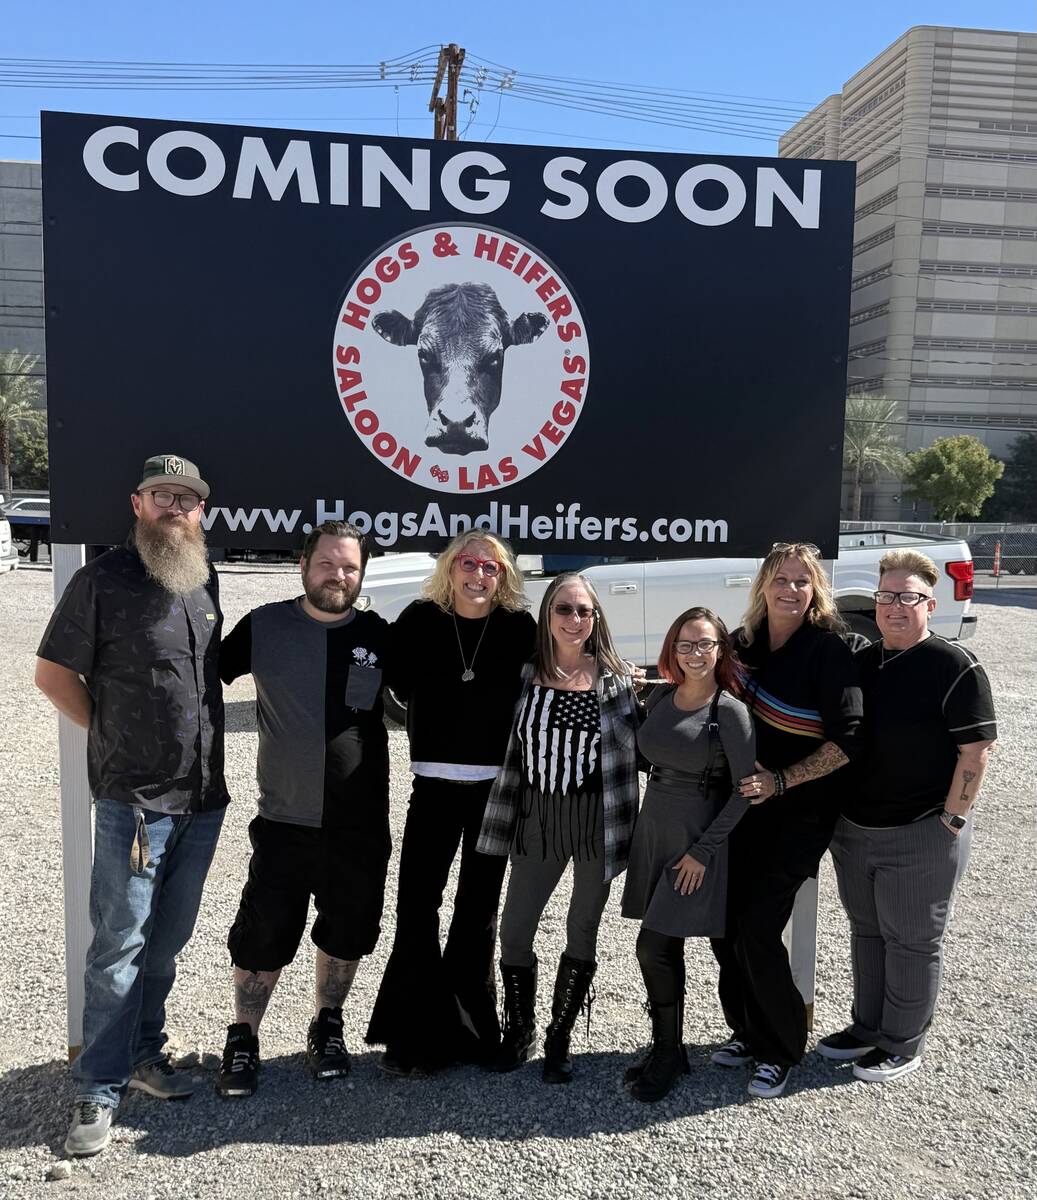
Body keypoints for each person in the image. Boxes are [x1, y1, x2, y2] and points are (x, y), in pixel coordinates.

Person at [35, 454, 227, 1157]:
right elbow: (53, 675)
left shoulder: (203, 580)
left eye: (187, 497)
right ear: (136, 504)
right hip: (138, 804)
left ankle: (145, 1054)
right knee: (119, 944)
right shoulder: (101, 580)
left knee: (166, 941)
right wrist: (110, 733)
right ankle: (97, 1086)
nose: (174, 506)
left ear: (200, 512)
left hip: (203, 800)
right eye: (161, 495)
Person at [215, 521, 391, 1097]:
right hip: (284, 820)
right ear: (303, 564)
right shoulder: (265, 625)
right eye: (328, 564)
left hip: (358, 823)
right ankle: (243, 1036)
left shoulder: (377, 634)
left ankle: (327, 1025)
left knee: (346, 933)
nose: (338, 576)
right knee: (263, 935)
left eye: (349, 567)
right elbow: (197, 676)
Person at [821, 548, 996, 1082]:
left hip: (921, 831)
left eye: (908, 597)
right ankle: (866, 1028)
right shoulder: (865, 662)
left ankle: (902, 1042)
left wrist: (952, 820)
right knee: (867, 932)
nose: (894, 606)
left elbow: (976, 751)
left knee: (913, 941)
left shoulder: (955, 667)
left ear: (930, 603)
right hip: (855, 830)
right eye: (885, 596)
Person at [366, 531, 535, 1076]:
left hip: (494, 791)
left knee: (476, 912)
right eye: (469, 563)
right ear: (450, 568)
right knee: (417, 906)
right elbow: (381, 680)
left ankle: (469, 1030)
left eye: (491, 567)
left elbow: (555, 680)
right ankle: (416, 1036)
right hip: (432, 788)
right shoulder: (420, 620)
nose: (479, 575)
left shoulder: (518, 629)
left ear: (504, 575)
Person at [710, 542, 862, 1099]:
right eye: (780, 579)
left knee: (756, 927)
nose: (790, 589)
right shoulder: (742, 644)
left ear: (815, 588)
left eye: (802, 581)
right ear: (763, 585)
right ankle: (747, 1032)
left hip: (800, 813)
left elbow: (848, 742)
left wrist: (781, 781)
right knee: (725, 927)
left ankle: (782, 1048)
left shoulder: (828, 650)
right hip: (737, 811)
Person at [477, 572, 640, 1084]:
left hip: (595, 820)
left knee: (582, 928)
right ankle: (518, 1030)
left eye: (584, 611)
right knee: (515, 929)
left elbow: (648, 743)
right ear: (547, 615)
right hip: (537, 818)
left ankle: (559, 1037)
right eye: (564, 610)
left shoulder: (616, 680)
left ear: (596, 619)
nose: (574, 620)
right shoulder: (524, 675)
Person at [621, 608, 756, 1103]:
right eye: (684, 644)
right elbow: (641, 750)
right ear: (671, 649)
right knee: (664, 945)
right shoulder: (659, 695)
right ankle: (669, 1048)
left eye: (704, 644)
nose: (694, 653)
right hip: (655, 831)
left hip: (697, 843)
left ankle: (669, 1053)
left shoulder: (730, 712)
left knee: (652, 946)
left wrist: (703, 852)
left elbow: (745, 791)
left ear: (721, 649)